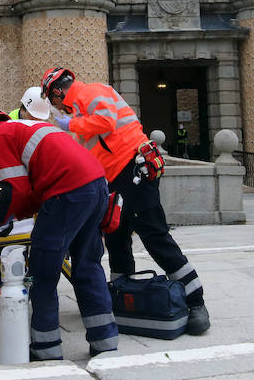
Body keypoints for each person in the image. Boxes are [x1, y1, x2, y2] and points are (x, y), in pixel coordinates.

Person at [40, 67, 211, 335]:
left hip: (133, 169)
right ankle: (122, 296)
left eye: (52, 100)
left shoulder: (90, 92)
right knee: (117, 237)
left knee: (154, 234)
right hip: (113, 178)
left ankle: (195, 301)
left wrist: (69, 125)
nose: (55, 107)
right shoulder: (81, 109)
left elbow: (106, 122)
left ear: (58, 91)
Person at [0, 107, 119, 360]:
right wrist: (14, 215)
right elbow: (31, 190)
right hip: (97, 185)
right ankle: (105, 342)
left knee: (42, 273)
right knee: (88, 267)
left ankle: (46, 348)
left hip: (67, 193)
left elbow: (15, 189)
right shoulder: (28, 128)